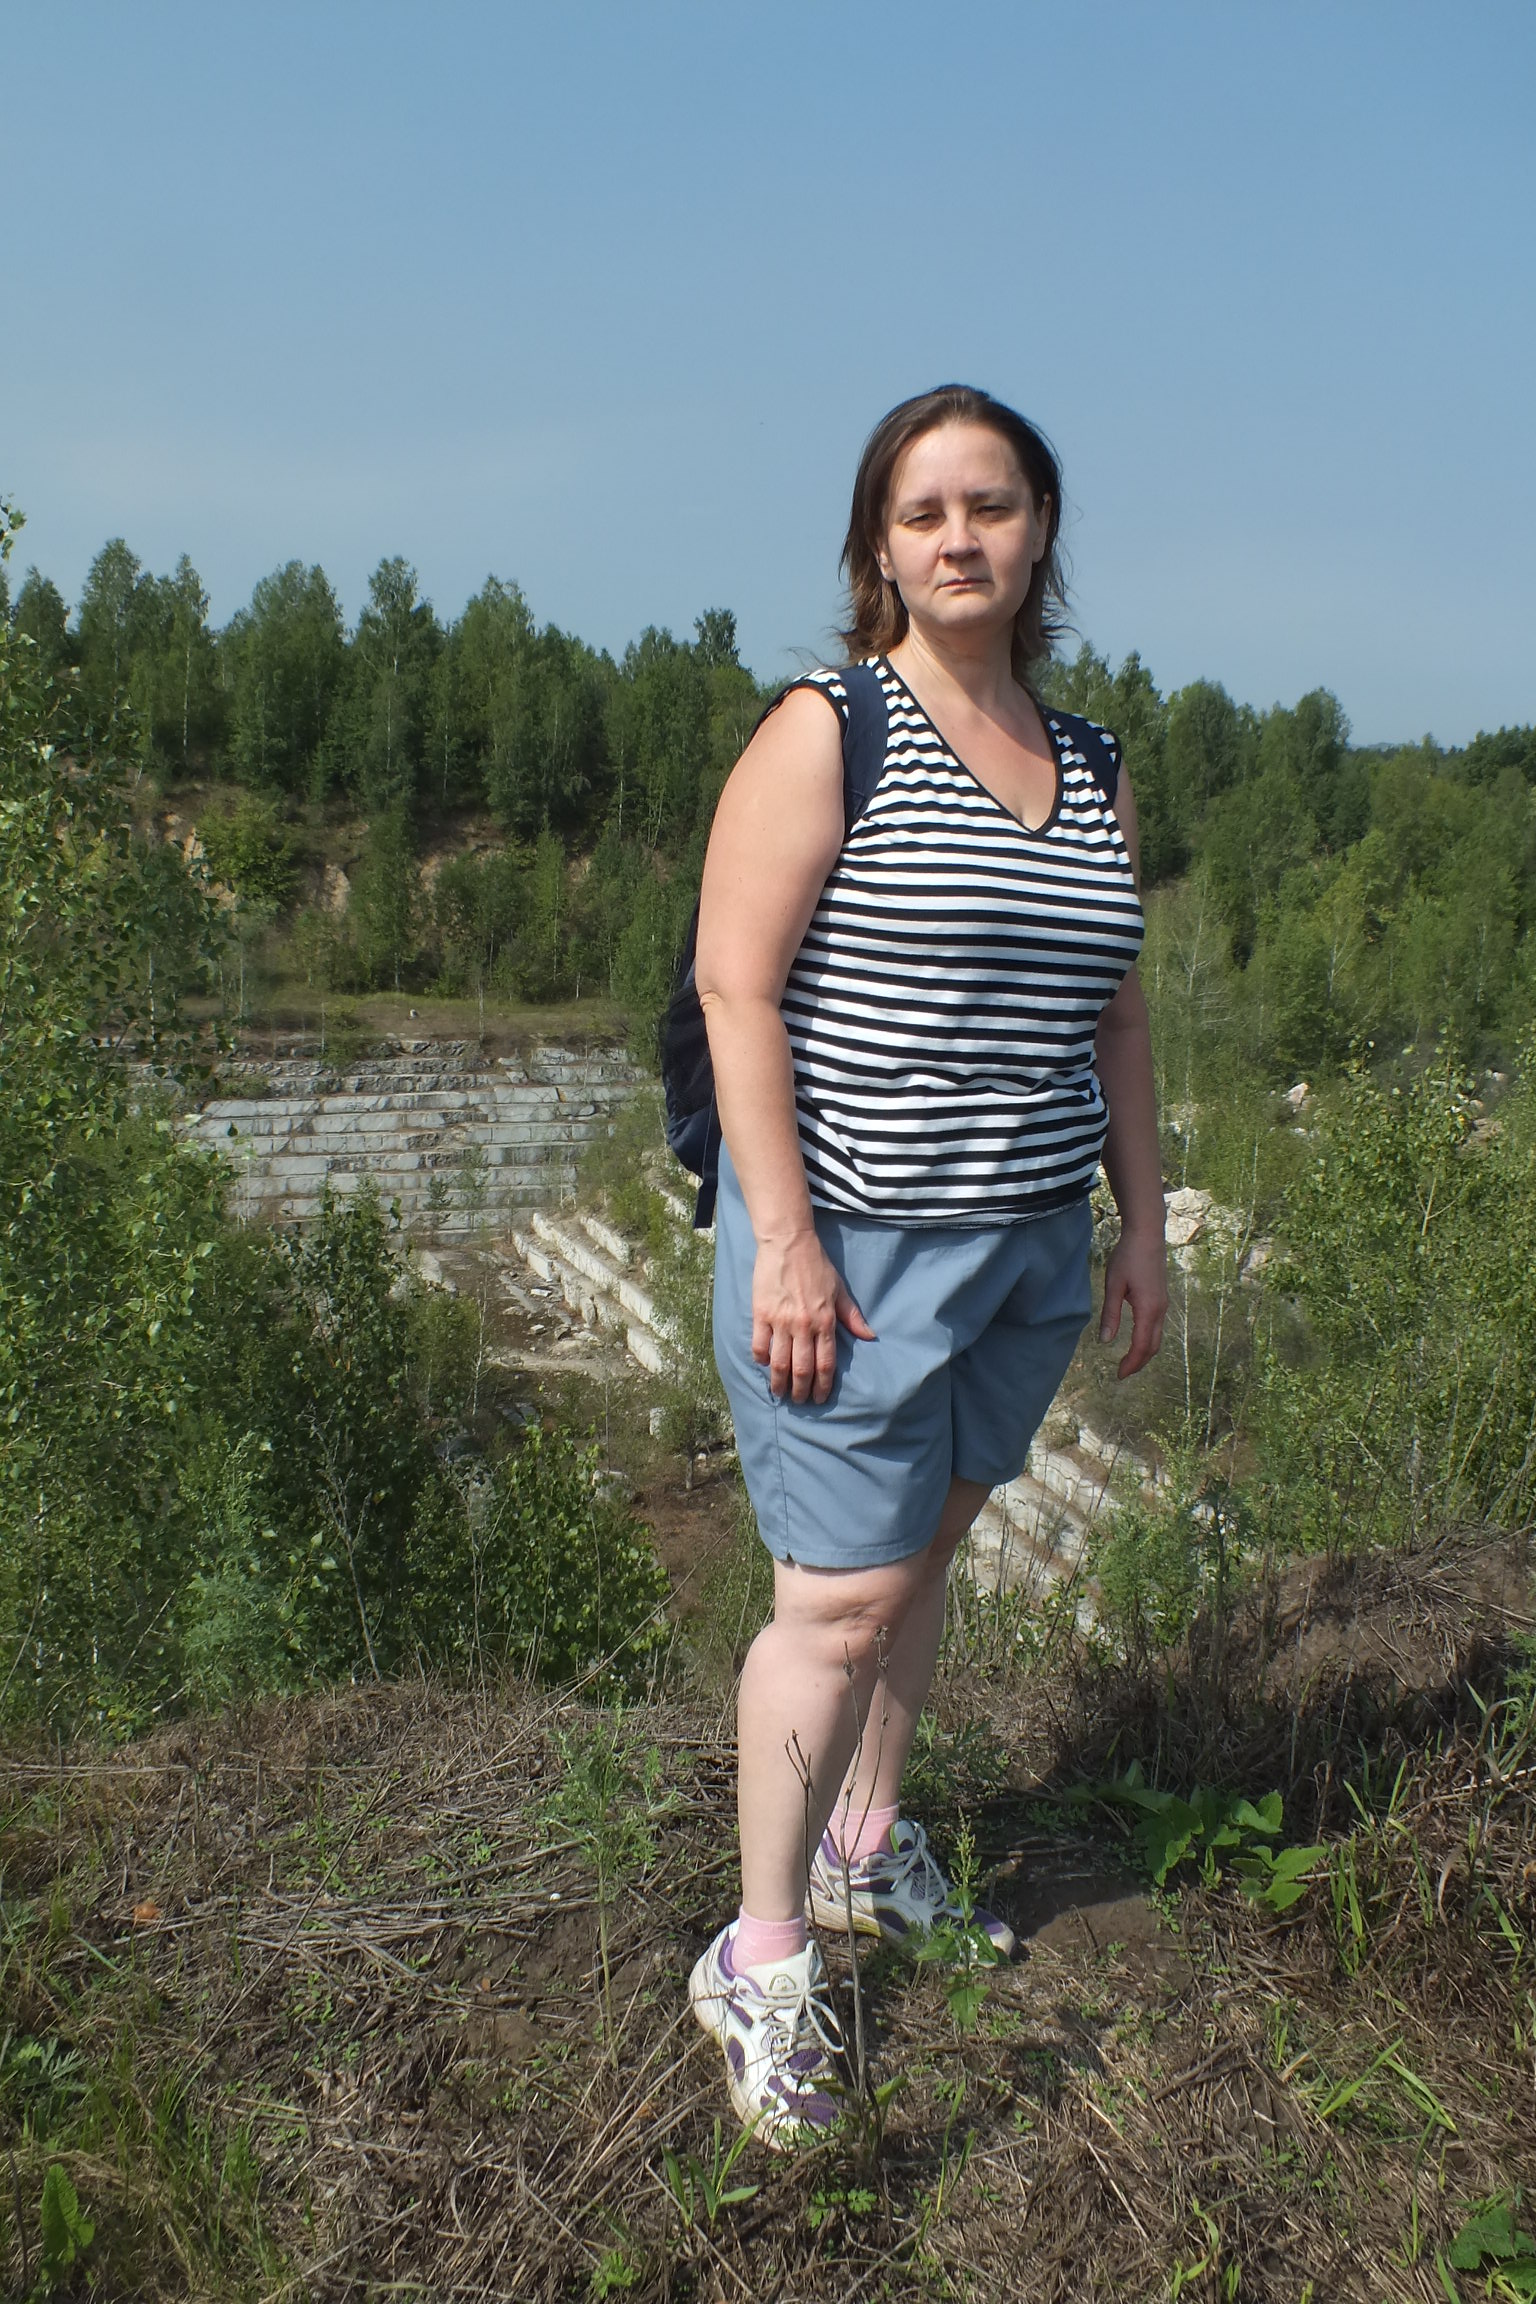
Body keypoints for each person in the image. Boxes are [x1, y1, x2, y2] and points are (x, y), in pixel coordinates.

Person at [688, 384, 1167, 2144]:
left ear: (1041, 532)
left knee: (924, 1560)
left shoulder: (1093, 761)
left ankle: (862, 1854)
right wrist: (787, 1244)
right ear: (878, 550)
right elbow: (736, 985)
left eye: (992, 504)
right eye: (923, 512)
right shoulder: (833, 729)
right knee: (836, 1604)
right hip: (857, 1250)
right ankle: (758, 1955)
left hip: (1028, 1246)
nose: (960, 537)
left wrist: (1142, 1221)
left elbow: (1115, 1013)